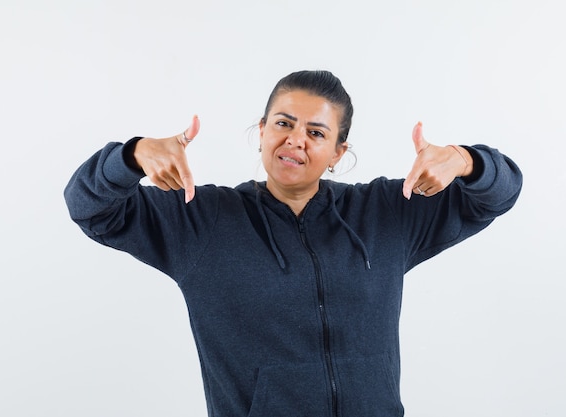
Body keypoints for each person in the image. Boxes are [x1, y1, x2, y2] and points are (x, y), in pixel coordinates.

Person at [64, 70, 522, 417]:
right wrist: (131, 156)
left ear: (339, 152)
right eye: (284, 122)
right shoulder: (201, 220)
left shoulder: (386, 212)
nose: (295, 140)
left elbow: (498, 195)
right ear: (262, 129)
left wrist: (464, 161)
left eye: (317, 133)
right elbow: (91, 208)